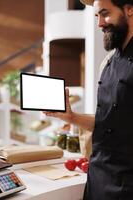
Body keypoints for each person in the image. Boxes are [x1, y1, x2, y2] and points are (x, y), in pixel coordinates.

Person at [44, 0, 133, 199]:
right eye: (97, 16)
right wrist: (72, 117)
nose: (100, 23)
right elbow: (109, 122)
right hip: (98, 178)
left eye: (105, 13)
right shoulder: (109, 61)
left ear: (129, 9)